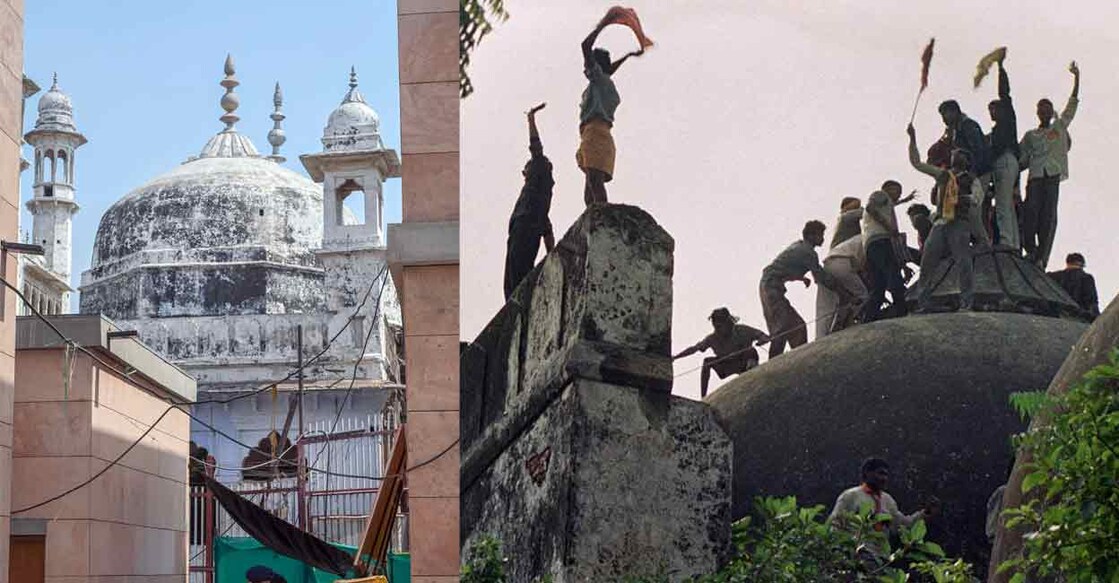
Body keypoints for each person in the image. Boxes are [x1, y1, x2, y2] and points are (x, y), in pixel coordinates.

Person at [907, 123, 984, 312]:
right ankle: (923, 302)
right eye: (954, 153)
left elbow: (977, 199)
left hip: (959, 222)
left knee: (963, 262)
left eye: (960, 154)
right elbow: (917, 163)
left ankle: (966, 302)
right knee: (927, 262)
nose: (955, 155)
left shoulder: (971, 179)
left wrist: (960, 199)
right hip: (940, 223)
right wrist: (912, 138)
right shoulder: (943, 175)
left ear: (967, 161)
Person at [577, 16, 644, 207]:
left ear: (596, 66)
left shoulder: (599, 81)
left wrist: (602, 24)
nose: (586, 67)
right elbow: (609, 70)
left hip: (594, 133)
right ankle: (594, 215)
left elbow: (585, 46)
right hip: (598, 134)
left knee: (594, 182)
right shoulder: (605, 84)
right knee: (591, 185)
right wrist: (627, 56)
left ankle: (603, 215)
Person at [1019, 61, 1080, 269]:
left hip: (1052, 176)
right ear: (1037, 113)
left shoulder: (1059, 127)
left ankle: (1041, 258)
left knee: (1048, 217)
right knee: (1030, 213)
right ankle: (1031, 250)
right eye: (1041, 109)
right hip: (1035, 177)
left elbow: (1072, 106)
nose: (1044, 112)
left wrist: (1077, 78)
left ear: (1051, 111)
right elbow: (1020, 158)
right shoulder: (1031, 135)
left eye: (1047, 109)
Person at [760, 220, 847, 358]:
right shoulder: (808, 252)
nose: (822, 238)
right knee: (782, 327)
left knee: (797, 327)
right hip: (771, 288)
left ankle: (801, 358)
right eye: (820, 235)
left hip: (770, 285)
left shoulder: (799, 246)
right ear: (811, 235)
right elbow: (821, 276)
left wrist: (800, 278)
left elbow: (784, 267)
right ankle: (774, 362)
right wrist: (842, 290)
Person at [828, 458, 939, 563]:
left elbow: (902, 525)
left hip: (880, 558)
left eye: (886, 475)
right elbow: (835, 524)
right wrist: (838, 553)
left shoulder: (888, 500)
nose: (884, 478)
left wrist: (925, 513)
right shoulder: (850, 496)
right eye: (880, 473)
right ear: (867, 473)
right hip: (856, 555)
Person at [504, 103, 556, 300]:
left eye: (526, 168)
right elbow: (547, 229)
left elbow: (536, 146)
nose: (523, 172)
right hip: (523, 228)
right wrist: (552, 255)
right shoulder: (539, 194)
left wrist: (531, 120)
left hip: (524, 227)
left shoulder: (538, 173)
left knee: (516, 275)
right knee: (515, 276)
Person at [674, 308, 770, 397]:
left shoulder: (742, 330)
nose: (717, 329)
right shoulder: (712, 338)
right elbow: (694, 349)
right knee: (707, 362)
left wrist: (762, 340)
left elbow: (763, 335)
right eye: (715, 326)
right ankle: (703, 397)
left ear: (728, 323)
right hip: (726, 366)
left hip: (743, 363)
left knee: (751, 351)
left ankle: (753, 379)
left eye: (719, 326)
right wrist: (676, 357)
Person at [938, 100, 993, 248]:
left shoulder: (968, 126)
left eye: (945, 114)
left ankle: (984, 243)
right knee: (970, 209)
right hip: (971, 175)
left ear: (955, 111)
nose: (944, 119)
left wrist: (973, 173)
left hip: (979, 173)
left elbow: (978, 150)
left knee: (973, 208)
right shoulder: (958, 129)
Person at [985, 49, 1022, 251]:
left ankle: (1007, 241)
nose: (992, 112)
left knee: (1002, 204)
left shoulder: (1007, 121)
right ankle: (1013, 242)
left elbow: (1005, 94)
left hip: (1005, 161)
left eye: (995, 109)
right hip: (1009, 163)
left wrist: (1000, 69)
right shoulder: (995, 131)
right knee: (1007, 204)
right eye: (990, 110)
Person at [860, 182, 913, 323]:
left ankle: (869, 317)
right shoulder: (881, 195)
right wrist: (888, 226)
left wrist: (904, 200)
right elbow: (871, 207)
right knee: (893, 273)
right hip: (881, 240)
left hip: (870, 245)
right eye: (898, 191)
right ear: (889, 188)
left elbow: (887, 205)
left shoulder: (886, 203)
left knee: (879, 284)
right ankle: (901, 309)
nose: (899, 196)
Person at [816, 234, 869, 338]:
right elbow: (868, 272)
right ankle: (856, 322)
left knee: (826, 307)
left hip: (828, 264)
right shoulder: (873, 238)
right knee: (863, 296)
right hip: (843, 262)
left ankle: (821, 337)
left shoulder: (857, 238)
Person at [1048, 252, 1100, 320]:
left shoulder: (1052, 276)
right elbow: (1091, 301)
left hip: (1055, 316)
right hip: (1079, 318)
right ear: (1081, 264)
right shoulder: (1086, 278)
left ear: (1067, 263)